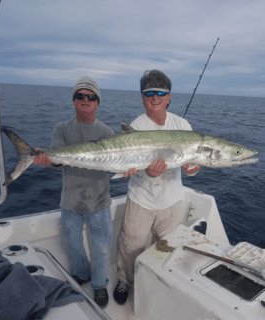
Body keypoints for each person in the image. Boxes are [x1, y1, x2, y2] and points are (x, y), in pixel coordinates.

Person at [113, 70, 201, 305]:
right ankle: (125, 279)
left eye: (160, 92)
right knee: (131, 245)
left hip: (171, 200)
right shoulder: (136, 127)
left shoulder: (181, 125)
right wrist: (144, 171)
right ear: (143, 98)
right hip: (141, 198)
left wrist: (193, 167)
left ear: (169, 97)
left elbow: (191, 167)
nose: (155, 97)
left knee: (164, 245)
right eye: (149, 93)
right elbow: (128, 165)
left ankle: (155, 278)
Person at [34, 76, 114, 309]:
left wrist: (127, 168)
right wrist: (48, 159)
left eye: (91, 96)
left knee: (101, 248)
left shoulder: (108, 131)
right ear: (74, 100)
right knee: (72, 245)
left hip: (99, 201)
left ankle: (99, 285)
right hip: (70, 201)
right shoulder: (61, 129)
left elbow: (114, 163)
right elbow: (57, 159)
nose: (86, 99)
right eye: (81, 95)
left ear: (98, 102)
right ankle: (81, 275)